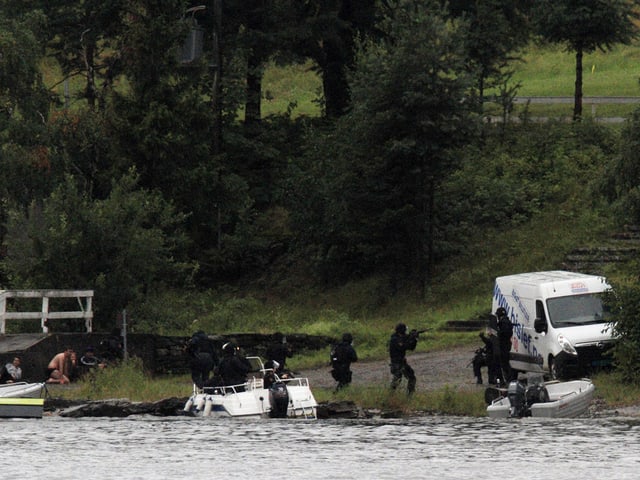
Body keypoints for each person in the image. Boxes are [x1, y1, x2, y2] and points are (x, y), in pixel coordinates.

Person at [389, 323, 418, 394]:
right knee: (397, 379)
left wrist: (414, 339)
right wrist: (410, 338)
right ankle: (390, 395)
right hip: (396, 363)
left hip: (402, 362)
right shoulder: (394, 339)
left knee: (411, 377)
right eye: (405, 330)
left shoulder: (402, 337)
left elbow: (411, 348)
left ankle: (410, 396)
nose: (406, 331)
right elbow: (403, 347)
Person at [496, 307, 514, 383]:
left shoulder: (504, 322)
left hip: (504, 345)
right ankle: (508, 378)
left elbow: (505, 333)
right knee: (505, 362)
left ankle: (509, 378)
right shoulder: (506, 321)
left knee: (505, 363)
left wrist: (498, 333)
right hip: (506, 344)